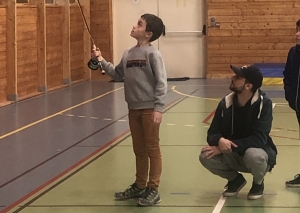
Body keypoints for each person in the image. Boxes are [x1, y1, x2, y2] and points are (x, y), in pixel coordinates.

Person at [91, 14, 167, 206]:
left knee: (152, 148)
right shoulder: (128, 53)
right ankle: (140, 185)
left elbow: (161, 82)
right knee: (139, 149)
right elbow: (117, 74)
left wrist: (158, 108)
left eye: (139, 24)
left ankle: (153, 188)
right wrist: (100, 60)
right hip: (133, 109)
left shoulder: (153, 54)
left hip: (149, 108)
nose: (134, 25)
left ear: (148, 34)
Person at [199, 64, 277, 200]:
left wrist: (228, 145)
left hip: (256, 154)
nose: (232, 78)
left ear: (248, 86)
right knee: (206, 155)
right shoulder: (225, 103)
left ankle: (258, 183)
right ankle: (235, 180)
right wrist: (219, 141)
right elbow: (212, 133)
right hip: (232, 154)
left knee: (254, 155)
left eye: (238, 77)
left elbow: (259, 139)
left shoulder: (264, 104)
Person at [283, 19, 300, 187]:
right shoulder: (293, 52)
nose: (297, 33)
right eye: (297, 29)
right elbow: (287, 74)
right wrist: (289, 95)